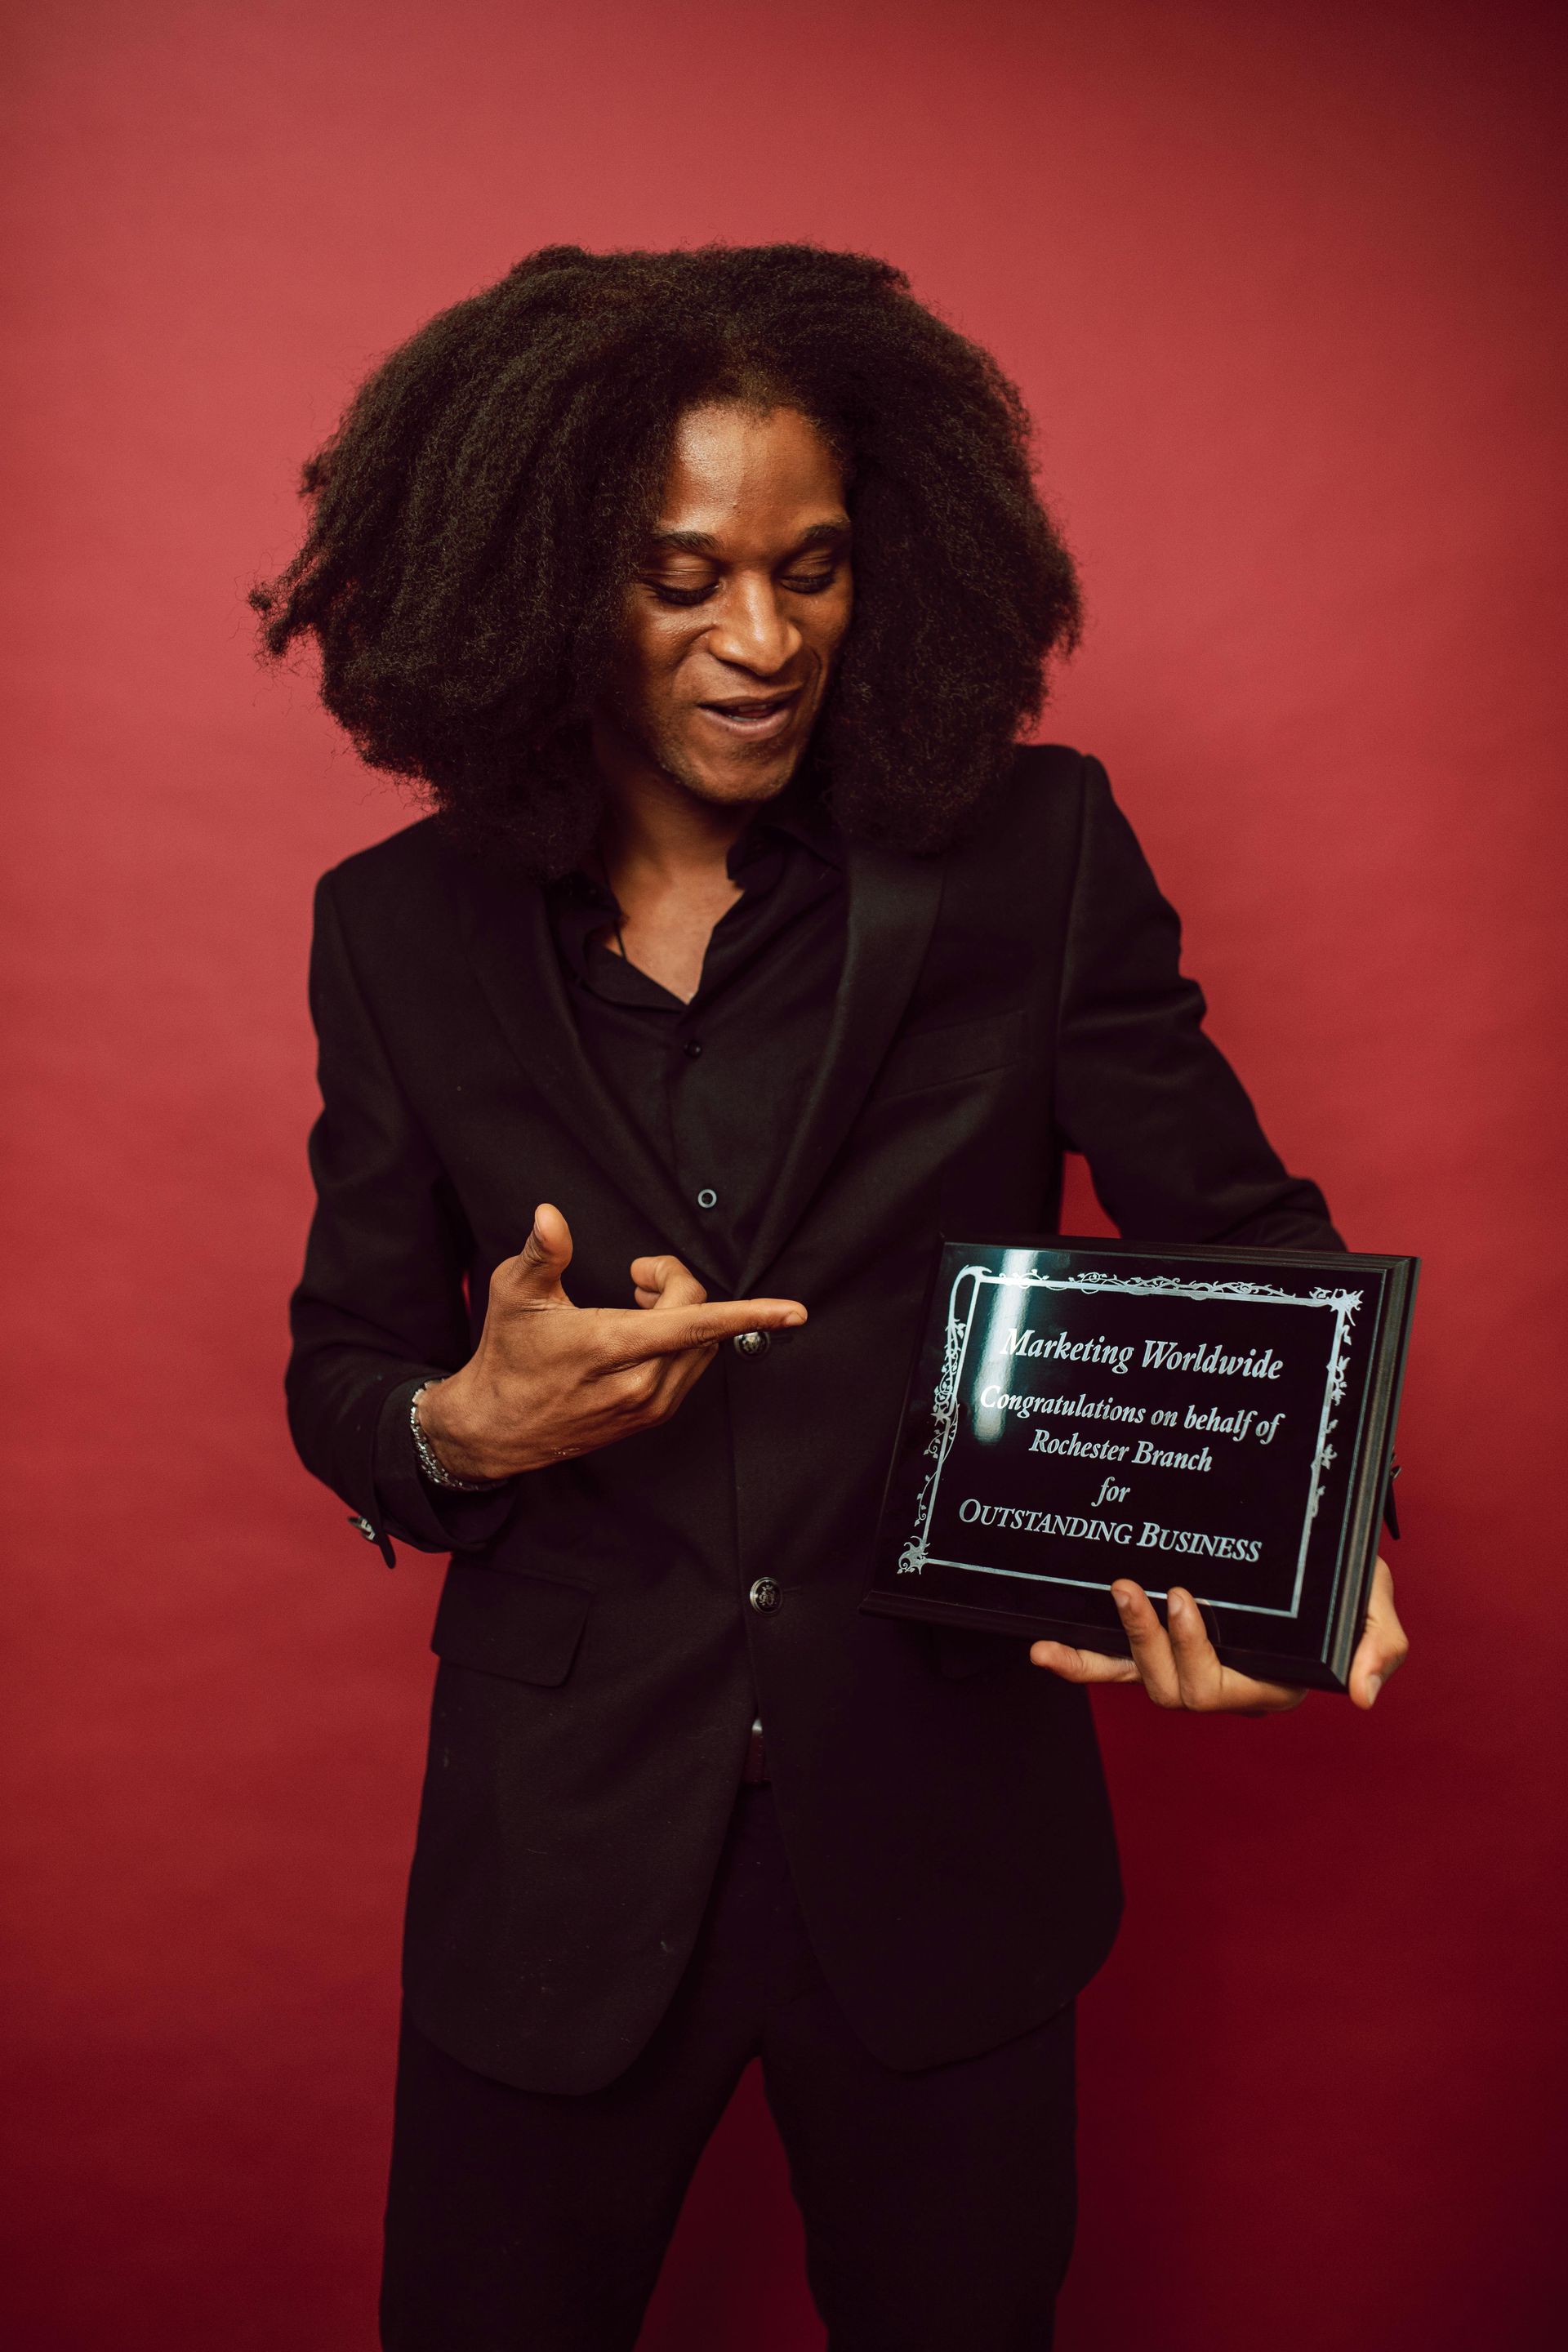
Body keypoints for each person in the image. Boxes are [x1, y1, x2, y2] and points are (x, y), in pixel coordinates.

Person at [256, 243, 1408, 2351]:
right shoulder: (393, 936)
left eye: (815, 568)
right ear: (537, 584)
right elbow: (341, 1367)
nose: (763, 640)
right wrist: (458, 1424)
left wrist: (1321, 1559)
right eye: (683, 579)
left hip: (947, 1857)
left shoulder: (1031, 859)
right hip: (561, 1868)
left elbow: (1249, 1239)